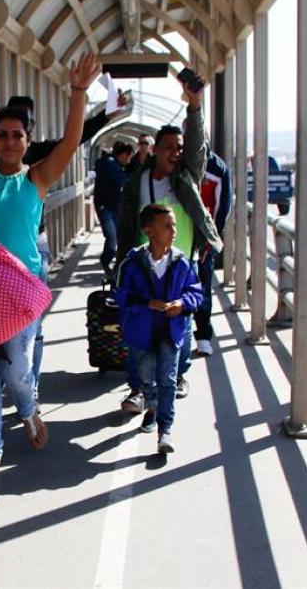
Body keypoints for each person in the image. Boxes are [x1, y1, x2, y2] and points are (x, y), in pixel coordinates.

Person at [0, 52, 102, 483]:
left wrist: (78, 93)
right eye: (2, 135)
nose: (8, 141)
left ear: (28, 141)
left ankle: (27, 408)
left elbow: (71, 142)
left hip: (22, 291)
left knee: (16, 367)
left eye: (16, 135)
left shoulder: (36, 179)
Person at [114, 70, 222, 416]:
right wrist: (120, 261)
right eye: (169, 148)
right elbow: (127, 224)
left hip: (183, 262)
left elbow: (196, 149)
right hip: (145, 266)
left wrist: (195, 107)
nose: (176, 152)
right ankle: (139, 389)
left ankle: (177, 376)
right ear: (155, 151)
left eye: (179, 147)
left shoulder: (185, 178)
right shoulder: (138, 183)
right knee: (140, 328)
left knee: (181, 325)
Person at [115, 204, 203, 453]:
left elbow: (196, 292)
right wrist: (147, 303)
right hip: (141, 333)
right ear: (148, 230)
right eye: (166, 226)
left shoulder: (181, 262)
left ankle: (165, 430)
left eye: (174, 225)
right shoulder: (132, 263)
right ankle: (151, 407)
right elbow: (120, 295)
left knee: (167, 380)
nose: (173, 230)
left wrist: (183, 304)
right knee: (146, 378)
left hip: (170, 331)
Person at [193, 146, 232, 356]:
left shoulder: (217, 168)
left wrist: (209, 240)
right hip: (175, 233)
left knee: (202, 286)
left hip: (203, 239)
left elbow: (222, 207)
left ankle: (203, 335)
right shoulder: (178, 160)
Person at [94, 141, 134, 279]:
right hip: (105, 208)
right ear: (123, 154)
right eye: (128, 157)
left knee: (117, 238)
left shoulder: (115, 165)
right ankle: (105, 261)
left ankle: (109, 263)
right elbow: (122, 181)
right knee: (112, 240)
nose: (129, 161)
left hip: (115, 209)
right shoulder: (110, 164)